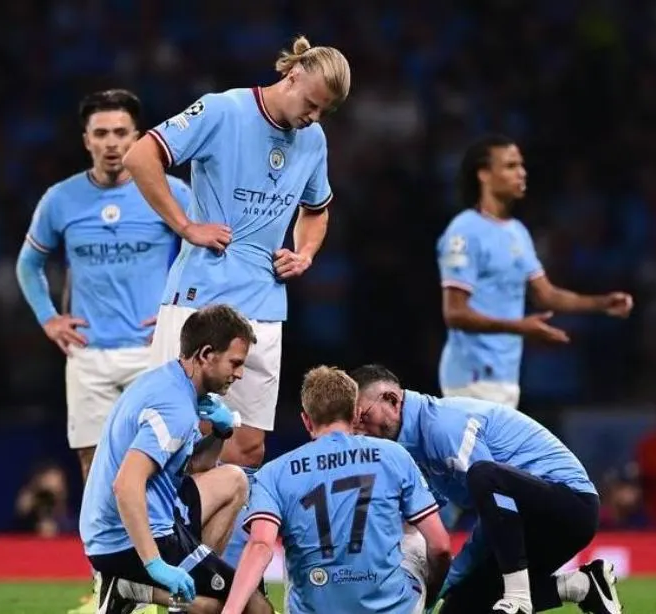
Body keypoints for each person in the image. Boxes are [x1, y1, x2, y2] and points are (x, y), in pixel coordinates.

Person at [123, 35, 351, 478]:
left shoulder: (313, 140)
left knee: (247, 449)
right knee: (176, 437)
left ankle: (211, 546)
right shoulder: (222, 110)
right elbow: (141, 156)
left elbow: (316, 210)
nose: (314, 117)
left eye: (324, 112)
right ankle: (160, 541)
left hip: (265, 304)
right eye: (312, 104)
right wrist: (186, 226)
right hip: (201, 297)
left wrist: (304, 253)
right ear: (293, 74)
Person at [16, 89, 191, 484]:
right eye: (101, 133)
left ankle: (157, 546)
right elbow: (29, 264)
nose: (111, 143)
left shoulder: (171, 192)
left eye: (120, 132)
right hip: (88, 355)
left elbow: (206, 256)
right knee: (93, 468)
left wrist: (181, 317)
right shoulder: (60, 199)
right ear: (87, 140)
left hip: (153, 353)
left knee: (163, 465)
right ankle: (106, 548)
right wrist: (48, 318)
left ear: (136, 137)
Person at [350, 364, 622, 614]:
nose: (359, 430)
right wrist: (430, 592)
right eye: (353, 423)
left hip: (572, 506)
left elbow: (492, 496)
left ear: (392, 400)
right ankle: (583, 585)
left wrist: (450, 575)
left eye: (363, 416)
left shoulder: (443, 427)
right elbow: (435, 523)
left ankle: (518, 597)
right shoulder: (412, 451)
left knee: (484, 474)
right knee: (459, 608)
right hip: (520, 521)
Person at [79, 304, 273, 614]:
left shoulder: (170, 382)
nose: (239, 374)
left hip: (125, 522)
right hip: (123, 540)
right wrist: (155, 564)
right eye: (235, 363)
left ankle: (176, 580)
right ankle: (131, 586)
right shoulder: (176, 409)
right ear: (206, 354)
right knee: (250, 605)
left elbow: (197, 468)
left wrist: (221, 433)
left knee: (234, 480)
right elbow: (126, 486)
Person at [222, 366, 451, 614]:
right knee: (412, 535)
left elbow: (260, 547)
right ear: (355, 414)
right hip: (394, 608)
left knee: (296, 554)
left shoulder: (274, 472)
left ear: (306, 420)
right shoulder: (394, 455)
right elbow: (440, 546)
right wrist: (430, 596)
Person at [437, 134, 633, 408]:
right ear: (483, 175)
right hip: (472, 376)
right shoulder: (465, 232)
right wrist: (520, 327)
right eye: (510, 166)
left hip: (507, 379)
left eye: (521, 165)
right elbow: (455, 313)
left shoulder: (517, 232)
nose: (521, 173)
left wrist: (600, 303)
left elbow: (546, 295)